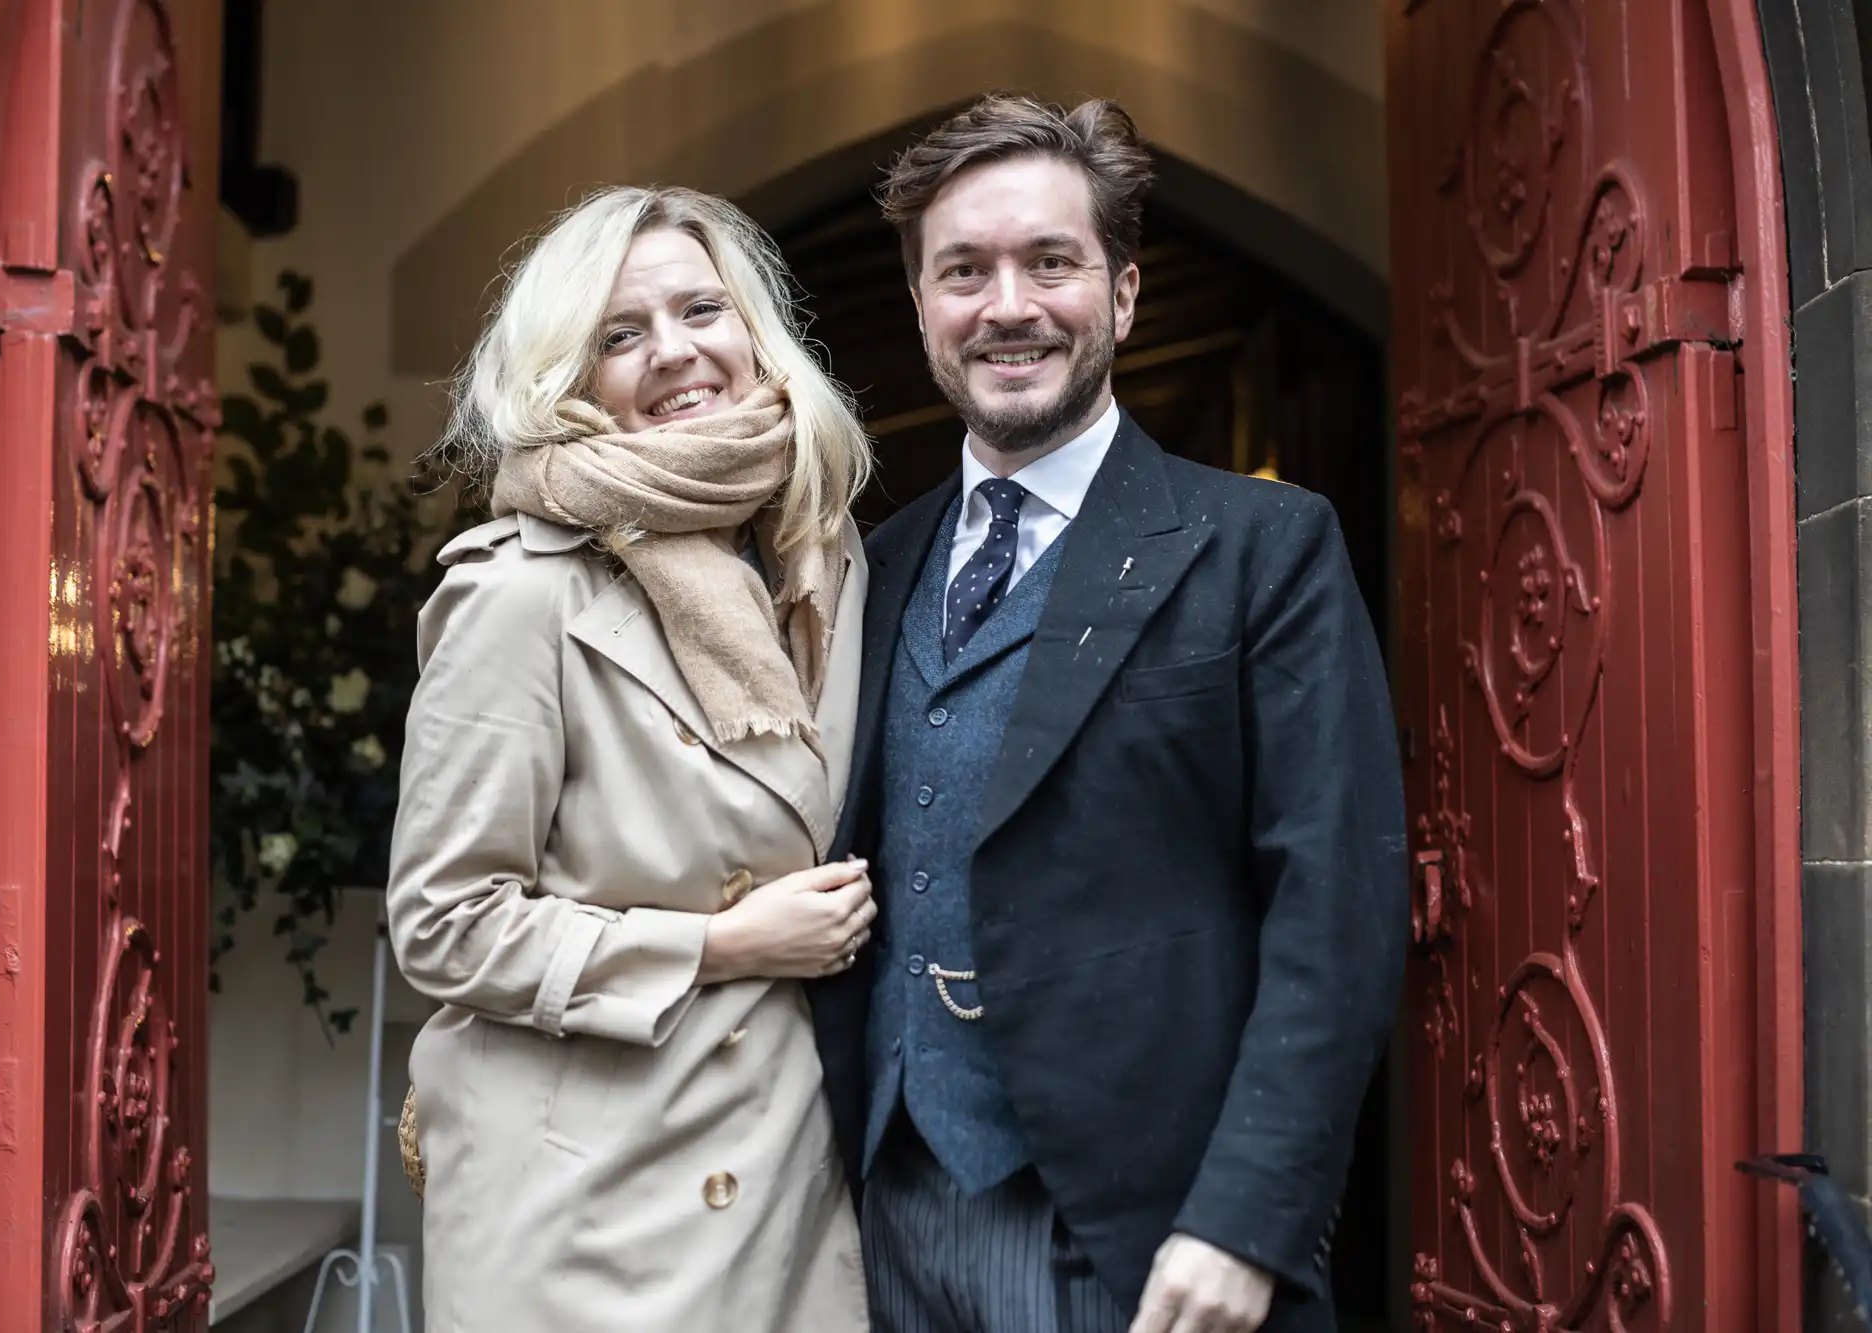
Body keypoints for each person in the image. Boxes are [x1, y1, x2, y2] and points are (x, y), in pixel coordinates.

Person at [806, 95, 1409, 1333]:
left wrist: (1249, 1218)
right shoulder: (877, 561)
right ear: (921, 307)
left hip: (1143, 1238)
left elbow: (1334, 907)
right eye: (962, 270)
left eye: (1050, 262)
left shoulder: (1263, 546)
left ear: (1122, 295)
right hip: (891, 1216)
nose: (1007, 305)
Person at [387, 185, 879, 1332]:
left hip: (786, 1187)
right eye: (619, 333)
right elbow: (443, 920)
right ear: (569, 379)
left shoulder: (825, 557)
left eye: (700, 310)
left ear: (754, 330)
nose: (673, 352)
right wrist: (717, 943)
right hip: (586, 1215)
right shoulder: (518, 592)